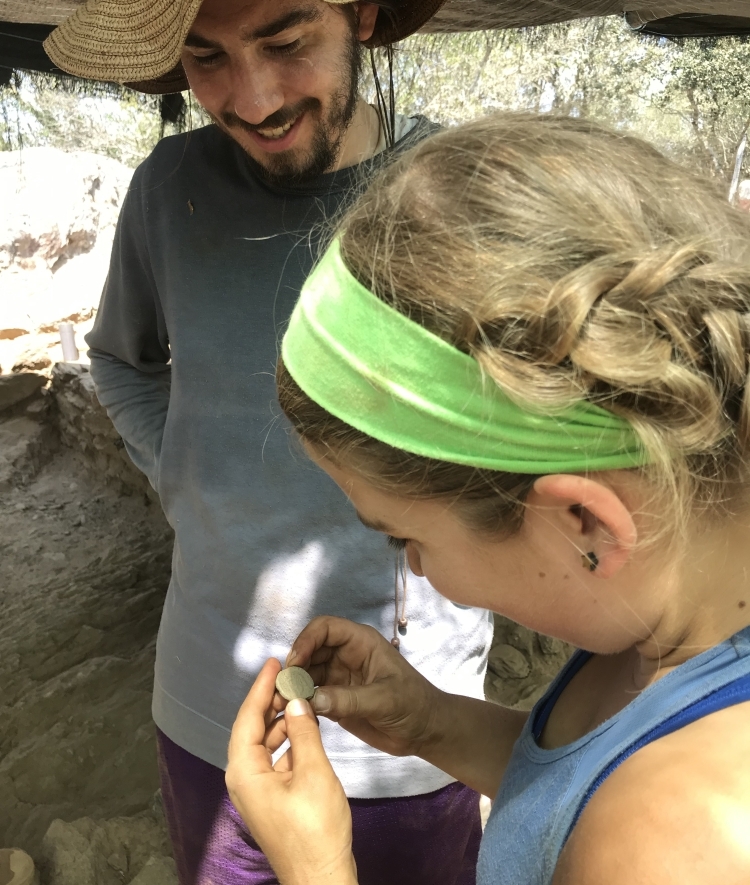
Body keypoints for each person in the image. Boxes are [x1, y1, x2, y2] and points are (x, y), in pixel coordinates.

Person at [225, 113, 750, 885]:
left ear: (584, 521)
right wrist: (433, 722)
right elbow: (579, 794)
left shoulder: (677, 843)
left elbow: (616, 825)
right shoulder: (667, 627)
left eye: (405, 536)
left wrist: (317, 870)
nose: (411, 565)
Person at [42, 2, 491, 884]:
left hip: (410, 724)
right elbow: (121, 359)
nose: (252, 99)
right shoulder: (168, 188)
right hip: (209, 713)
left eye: (286, 43)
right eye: (205, 58)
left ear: (360, 15)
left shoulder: (458, 197)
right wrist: (179, 468)